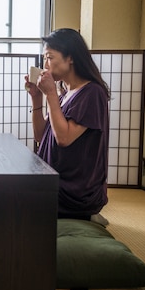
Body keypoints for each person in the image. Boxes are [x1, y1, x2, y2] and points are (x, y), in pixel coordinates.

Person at [24, 28, 110, 224]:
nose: (45, 64)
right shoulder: (65, 93)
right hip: (54, 179)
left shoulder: (92, 93)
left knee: (13, 197)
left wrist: (51, 95)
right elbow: (40, 136)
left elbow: (63, 138)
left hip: (73, 191)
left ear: (70, 57)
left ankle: (86, 218)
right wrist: (37, 98)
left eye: (49, 57)